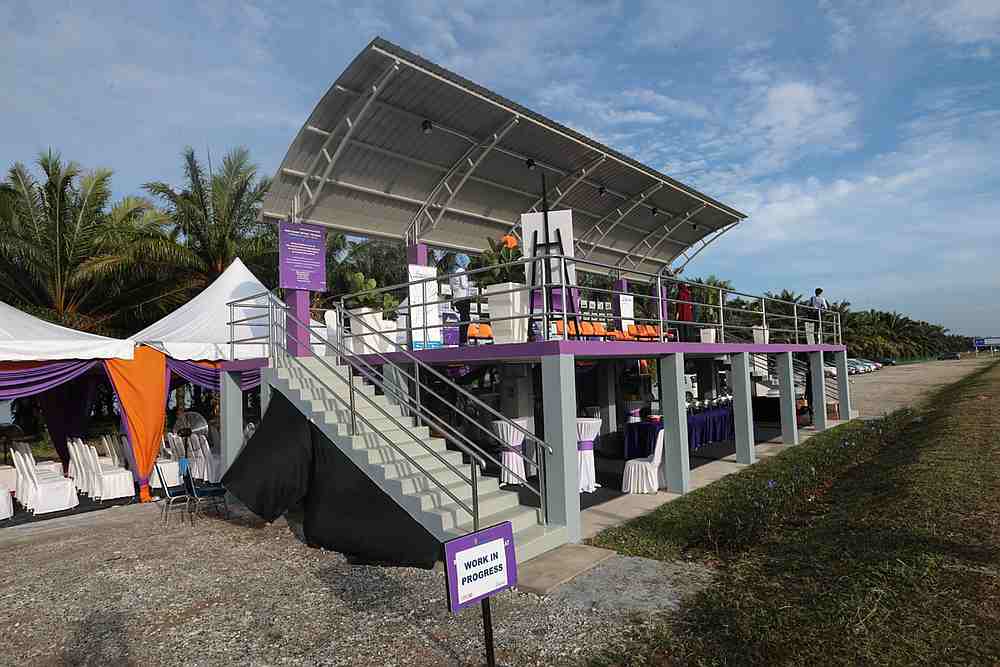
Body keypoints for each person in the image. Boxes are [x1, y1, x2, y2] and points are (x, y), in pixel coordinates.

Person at [449, 258, 472, 345]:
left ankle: (462, 340)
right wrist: (472, 283)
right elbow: (464, 285)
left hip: (456, 298)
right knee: (466, 319)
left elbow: (452, 287)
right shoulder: (461, 271)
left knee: (463, 318)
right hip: (463, 298)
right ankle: (463, 340)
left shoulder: (452, 272)